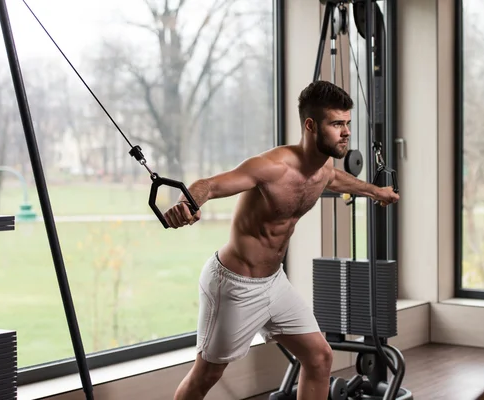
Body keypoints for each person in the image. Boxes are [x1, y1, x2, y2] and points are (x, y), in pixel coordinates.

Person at [165, 80, 400, 400]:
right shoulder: (272, 167)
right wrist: (187, 204)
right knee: (207, 374)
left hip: (274, 283)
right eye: (336, 124)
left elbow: (334, 179)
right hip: (234, 285)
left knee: (319, 357)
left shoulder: (324, 165)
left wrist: (377, 192)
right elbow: (211, 185)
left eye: (347, 123)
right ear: (310, 125)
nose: (346, 132)